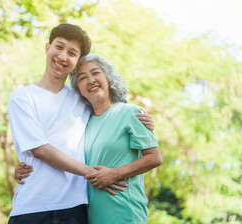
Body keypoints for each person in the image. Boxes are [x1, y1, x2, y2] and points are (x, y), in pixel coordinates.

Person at [8, 23, 154, 224]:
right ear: (47, 48)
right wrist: (93, 173)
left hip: (76, 210)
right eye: (59, 47)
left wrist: (143, 119)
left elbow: (111, 117)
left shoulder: (82, 99)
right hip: (33, 207)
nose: (63, 56)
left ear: (76, 62)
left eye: (72, 53)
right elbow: (39, 149)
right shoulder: (22, 97)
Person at [69, 53, 163, 223]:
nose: (90, 80)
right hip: (94, 216)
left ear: (108, 78)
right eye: (82, 78)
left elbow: (154, 157)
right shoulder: (84, 124)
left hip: (125, 212)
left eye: (95, 73)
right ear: (79, 90)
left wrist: (114, 174)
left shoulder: (129, 113)